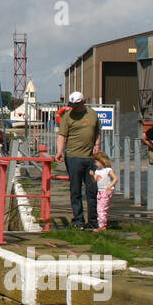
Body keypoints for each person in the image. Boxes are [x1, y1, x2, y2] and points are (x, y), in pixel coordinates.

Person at [56, 91, 101, 229]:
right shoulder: (67, 116)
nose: (74, 108)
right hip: (73, 157)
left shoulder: (92, 114)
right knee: (75, 190)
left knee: (92, 190)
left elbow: (97, 131)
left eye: (77, 105)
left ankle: (93, 221)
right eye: (72, 105)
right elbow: (62, 136)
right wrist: (59, 152)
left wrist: (97, 145)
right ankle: (78, 220)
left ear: (83, 102)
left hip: (90, 159)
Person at [92, 151, 117, 231]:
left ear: (101, 161)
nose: (95, 164)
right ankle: (103, 225)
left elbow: (115, 178)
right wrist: (93, 175)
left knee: (101, 209)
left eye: (96, 162)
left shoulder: (108, 170)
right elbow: (95, 180)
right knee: (102, 208)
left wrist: (109, 186)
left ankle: (101, 226)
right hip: (100, 191)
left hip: (106, 191)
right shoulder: (97, 171)